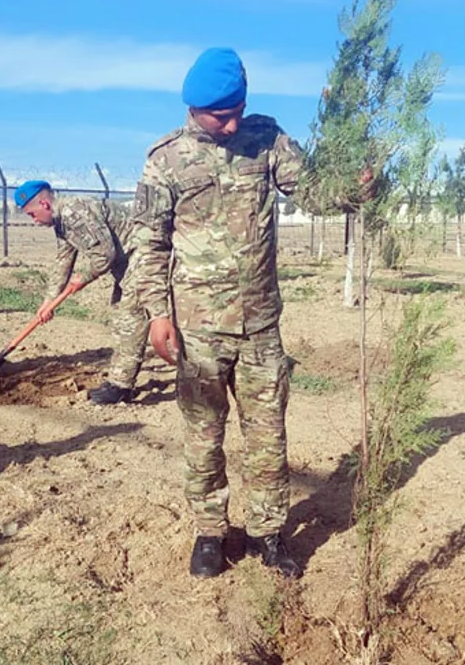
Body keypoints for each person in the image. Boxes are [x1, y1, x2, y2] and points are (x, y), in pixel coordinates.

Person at [129, 46, 372, 580]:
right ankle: (210, 534)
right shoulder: (165, 161)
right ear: (194, 108)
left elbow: (312, 192)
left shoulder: (265, 139)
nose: (233, 122)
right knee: (204, 436)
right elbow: (150, 244)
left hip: (260, 325)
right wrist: (156, 314)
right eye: (222, 114)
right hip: (198, 329)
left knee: (267, 438)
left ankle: (268, 533)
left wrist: (355, 187)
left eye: (238, 109)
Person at [14, 180, 149, 405]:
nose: (34, 222)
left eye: (32, 214)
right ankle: (121, 376)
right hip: (128, 264)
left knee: (131, 315)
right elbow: (63, 262)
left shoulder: (75, 212)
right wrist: (49, 301)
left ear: (44, 204)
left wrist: (83, 279)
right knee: (123, 313)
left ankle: (120, 385)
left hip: (143, 257)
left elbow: (105, 255)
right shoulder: (61, 223)